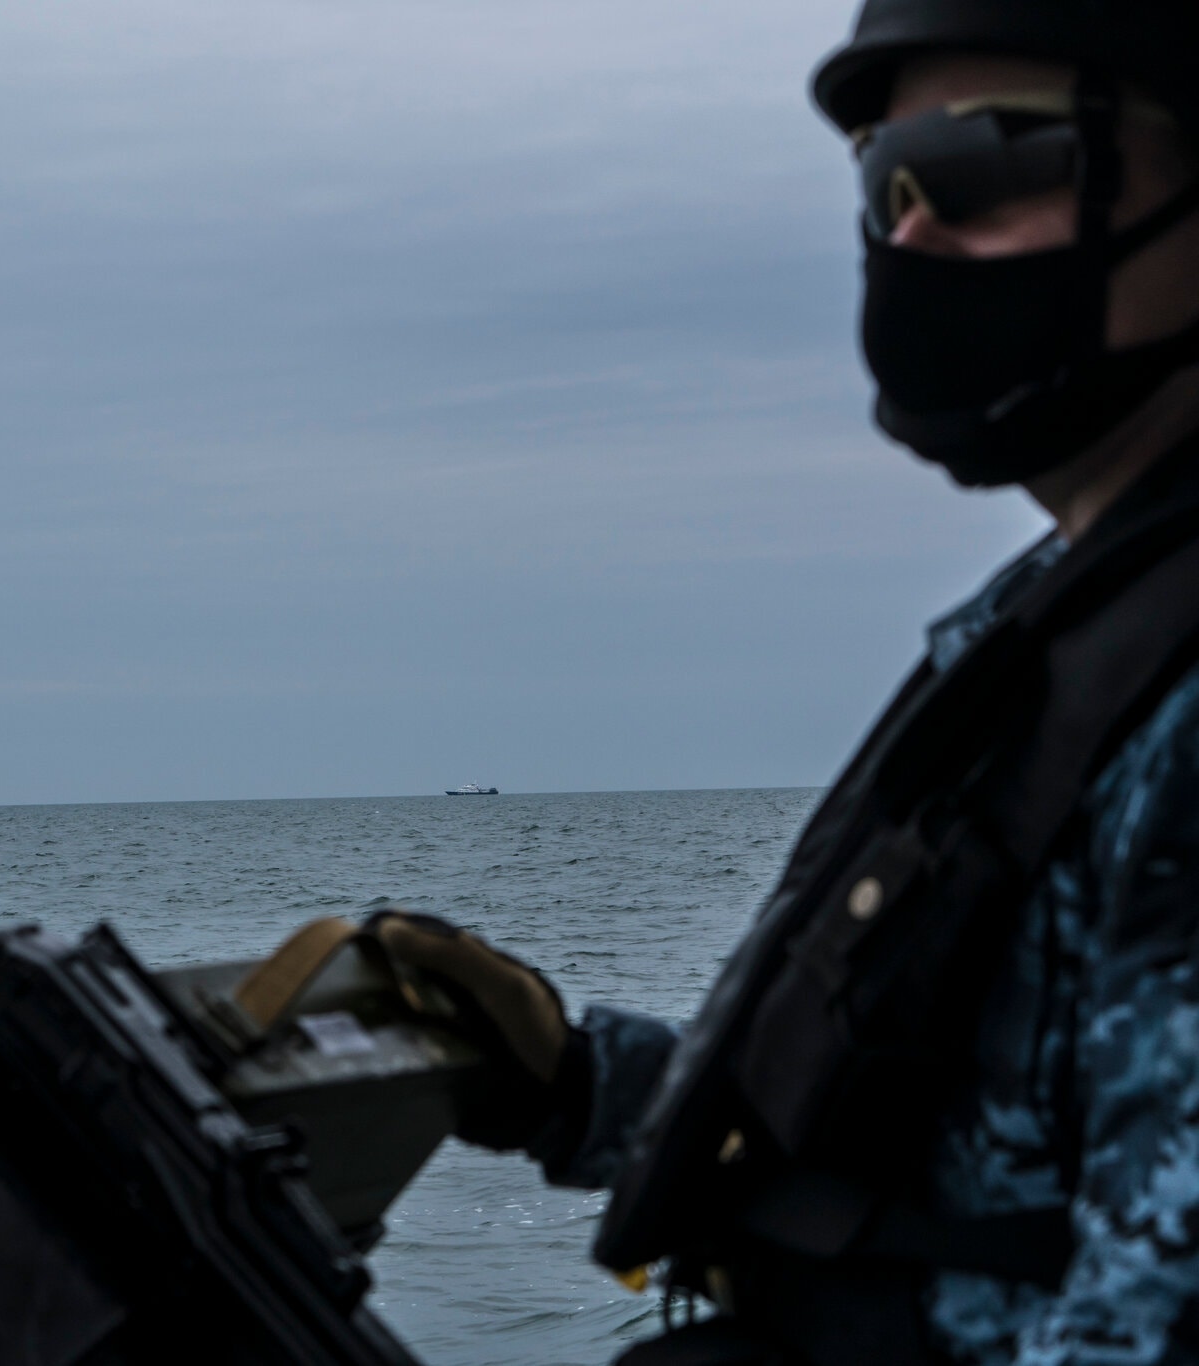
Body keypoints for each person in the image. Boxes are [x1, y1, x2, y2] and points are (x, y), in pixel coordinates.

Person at [285, 2, 1199, 1362]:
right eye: (883, 186)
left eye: (978, 169)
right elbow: (942, 1177)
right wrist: (573, 1085)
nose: (910, 238)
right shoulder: (1067, 625)